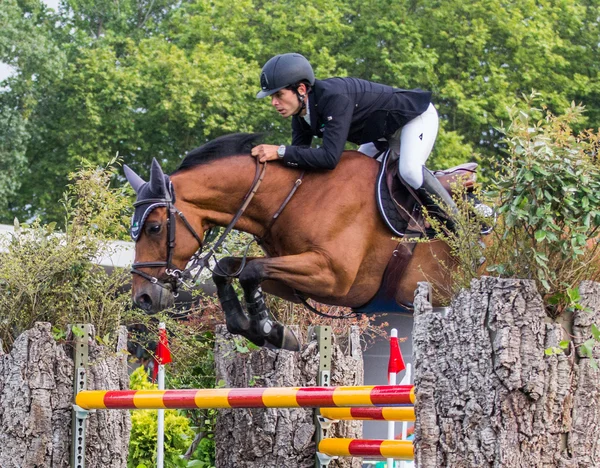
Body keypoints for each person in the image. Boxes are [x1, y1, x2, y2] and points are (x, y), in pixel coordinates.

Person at [250, 52, 459, 229]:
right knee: (351, 176)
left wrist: (279, 152)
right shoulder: (301, 114)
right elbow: (299, 158)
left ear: (301, 90)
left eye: (278, 94)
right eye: (271, 97)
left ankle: (461, 227)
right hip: (380, 134)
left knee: (410, 171)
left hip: (413, 118)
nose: (274, 103)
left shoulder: (334, 98)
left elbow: (329, 157)